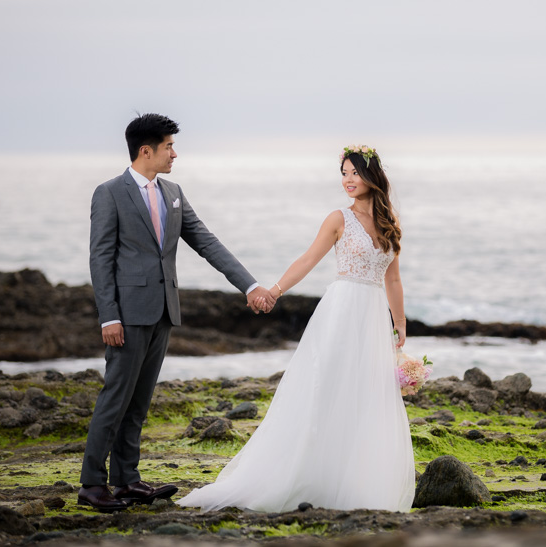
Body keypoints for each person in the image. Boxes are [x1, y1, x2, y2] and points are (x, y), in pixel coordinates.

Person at [176, 144, 415, 513]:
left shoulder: (390, 222)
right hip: (341, 311)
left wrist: (399, 323)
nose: (348, 180)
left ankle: (354, 480)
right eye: (344, 174)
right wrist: (274, 290)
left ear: (372, 176)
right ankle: (303, 474)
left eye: (354, 173)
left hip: (372, 316)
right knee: (327, 388)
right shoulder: (338, 218)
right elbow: (308, 258)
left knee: (366, 393)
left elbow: (394, 280)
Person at [79, 113, 275, 512]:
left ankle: (127, 480)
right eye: (169, 146)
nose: (174, 153)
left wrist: (250, 285)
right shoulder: (109, 193)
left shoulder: (173, 191)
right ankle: (91, 485)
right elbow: (100, 259)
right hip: (128, 315)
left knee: (139, 401)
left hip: (164, 311)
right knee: (115, 398)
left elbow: (206, 241)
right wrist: (108, 316)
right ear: (145, 151)